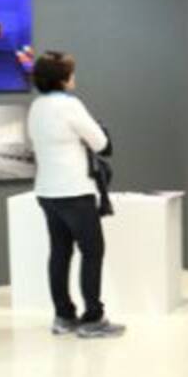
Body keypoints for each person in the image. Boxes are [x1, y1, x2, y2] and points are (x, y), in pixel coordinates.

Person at [27, 51, 124, 339]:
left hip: (47, 192)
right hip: (75, 191)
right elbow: (102, 144)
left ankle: (63, 316)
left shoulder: (37, 107)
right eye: (71, 72)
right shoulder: (70, 106)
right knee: (92, 251)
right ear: (62, 78)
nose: (74, 77)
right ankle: (93, 318)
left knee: (60, 252)